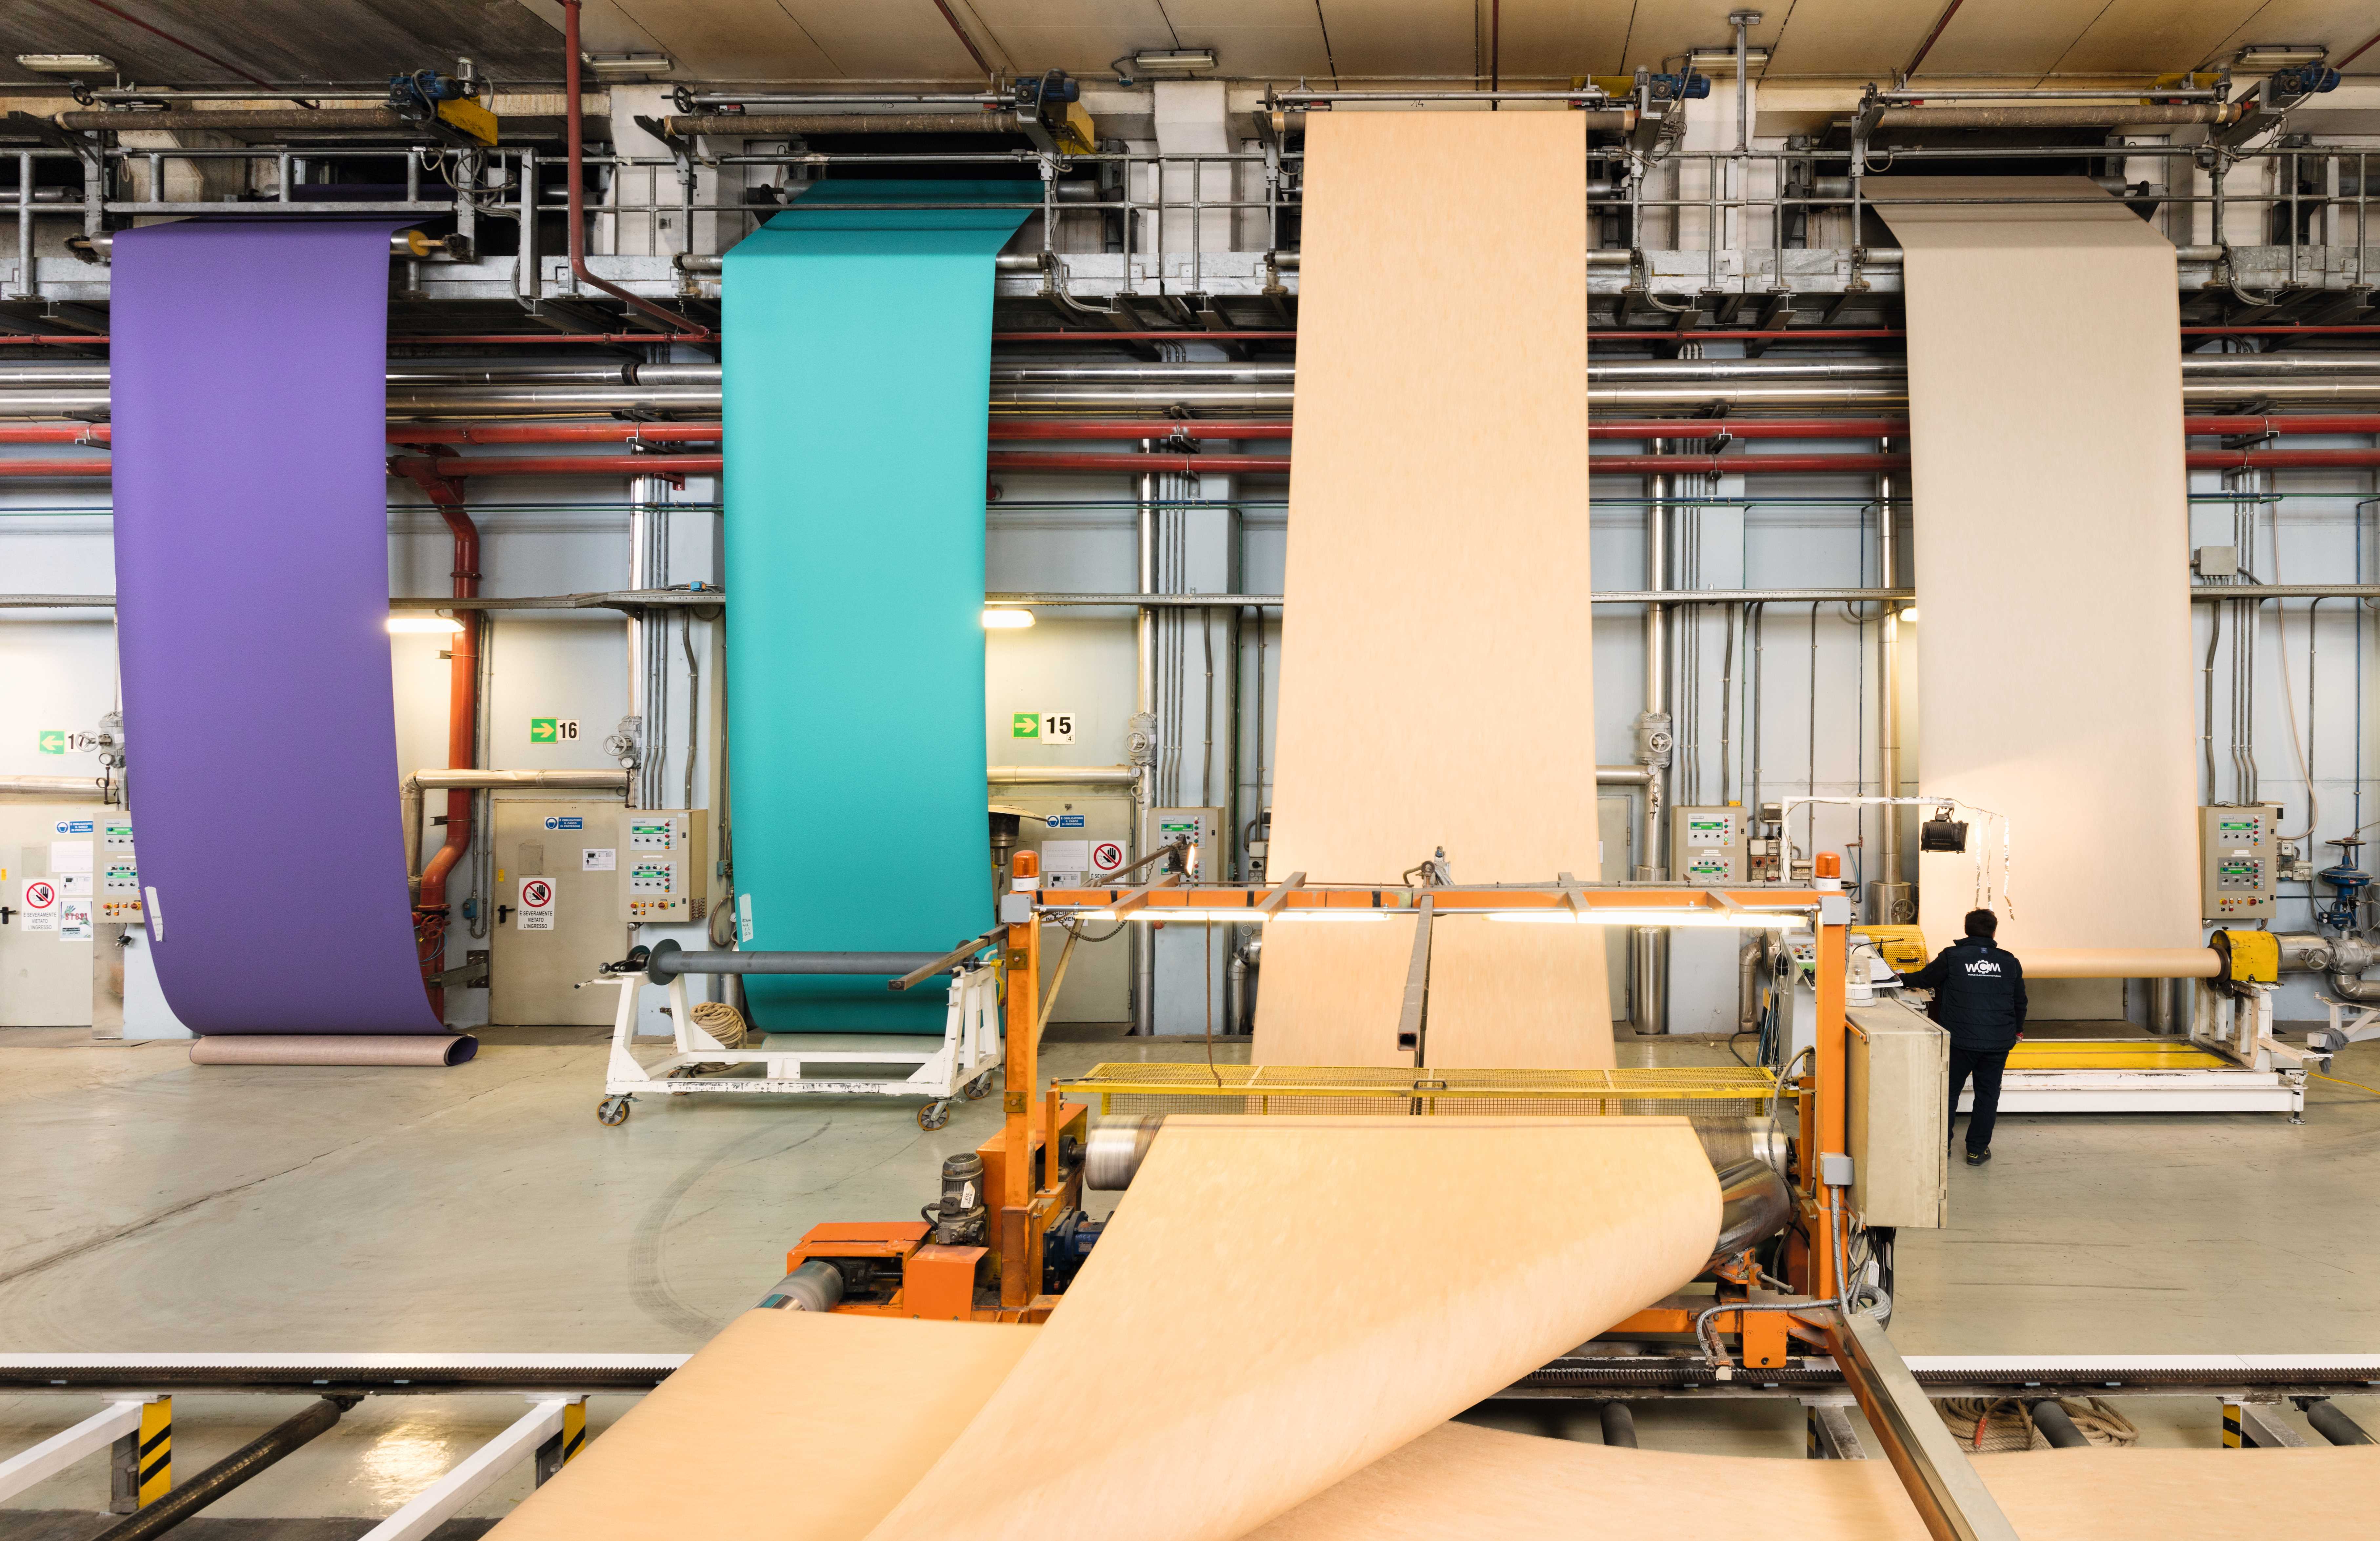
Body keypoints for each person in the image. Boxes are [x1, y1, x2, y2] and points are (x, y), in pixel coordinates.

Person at [1895, 908, 2026, 1166]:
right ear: (1994, 932)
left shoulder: (1952, 956)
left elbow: (1924, 979)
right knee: (1987, 1095)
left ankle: (1941, 1147)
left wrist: (1899, 978)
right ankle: (1976, 1151)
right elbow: (2020, 1001)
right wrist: (2017, 1030)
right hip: (1997, 1042)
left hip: (1960, 1041)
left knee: (1949, 1093)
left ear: (1966, 930)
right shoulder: (2009, 961)